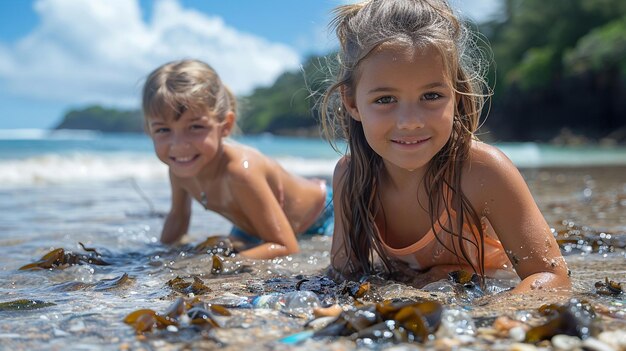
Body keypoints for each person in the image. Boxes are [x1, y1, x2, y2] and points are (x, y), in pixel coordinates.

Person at [319, 0, 570, 293]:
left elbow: (552, 276)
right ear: (352, 103)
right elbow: (344, 275)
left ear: (456, 93)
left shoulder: (482, 172)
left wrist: (490, 314)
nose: (410, 122)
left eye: (432, 96)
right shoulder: (353, 178)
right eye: (385, 99)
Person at [142, 59, 333, 259]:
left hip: (323, 215)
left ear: (225, 125)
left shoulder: (240, 172)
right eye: (163, 130)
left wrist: (217, 268)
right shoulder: (179, 168)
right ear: (149, 131)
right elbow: (178, 218)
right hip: (250, 228)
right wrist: (157, 257)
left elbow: (285, 246)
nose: (179, 144)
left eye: (196, 127)